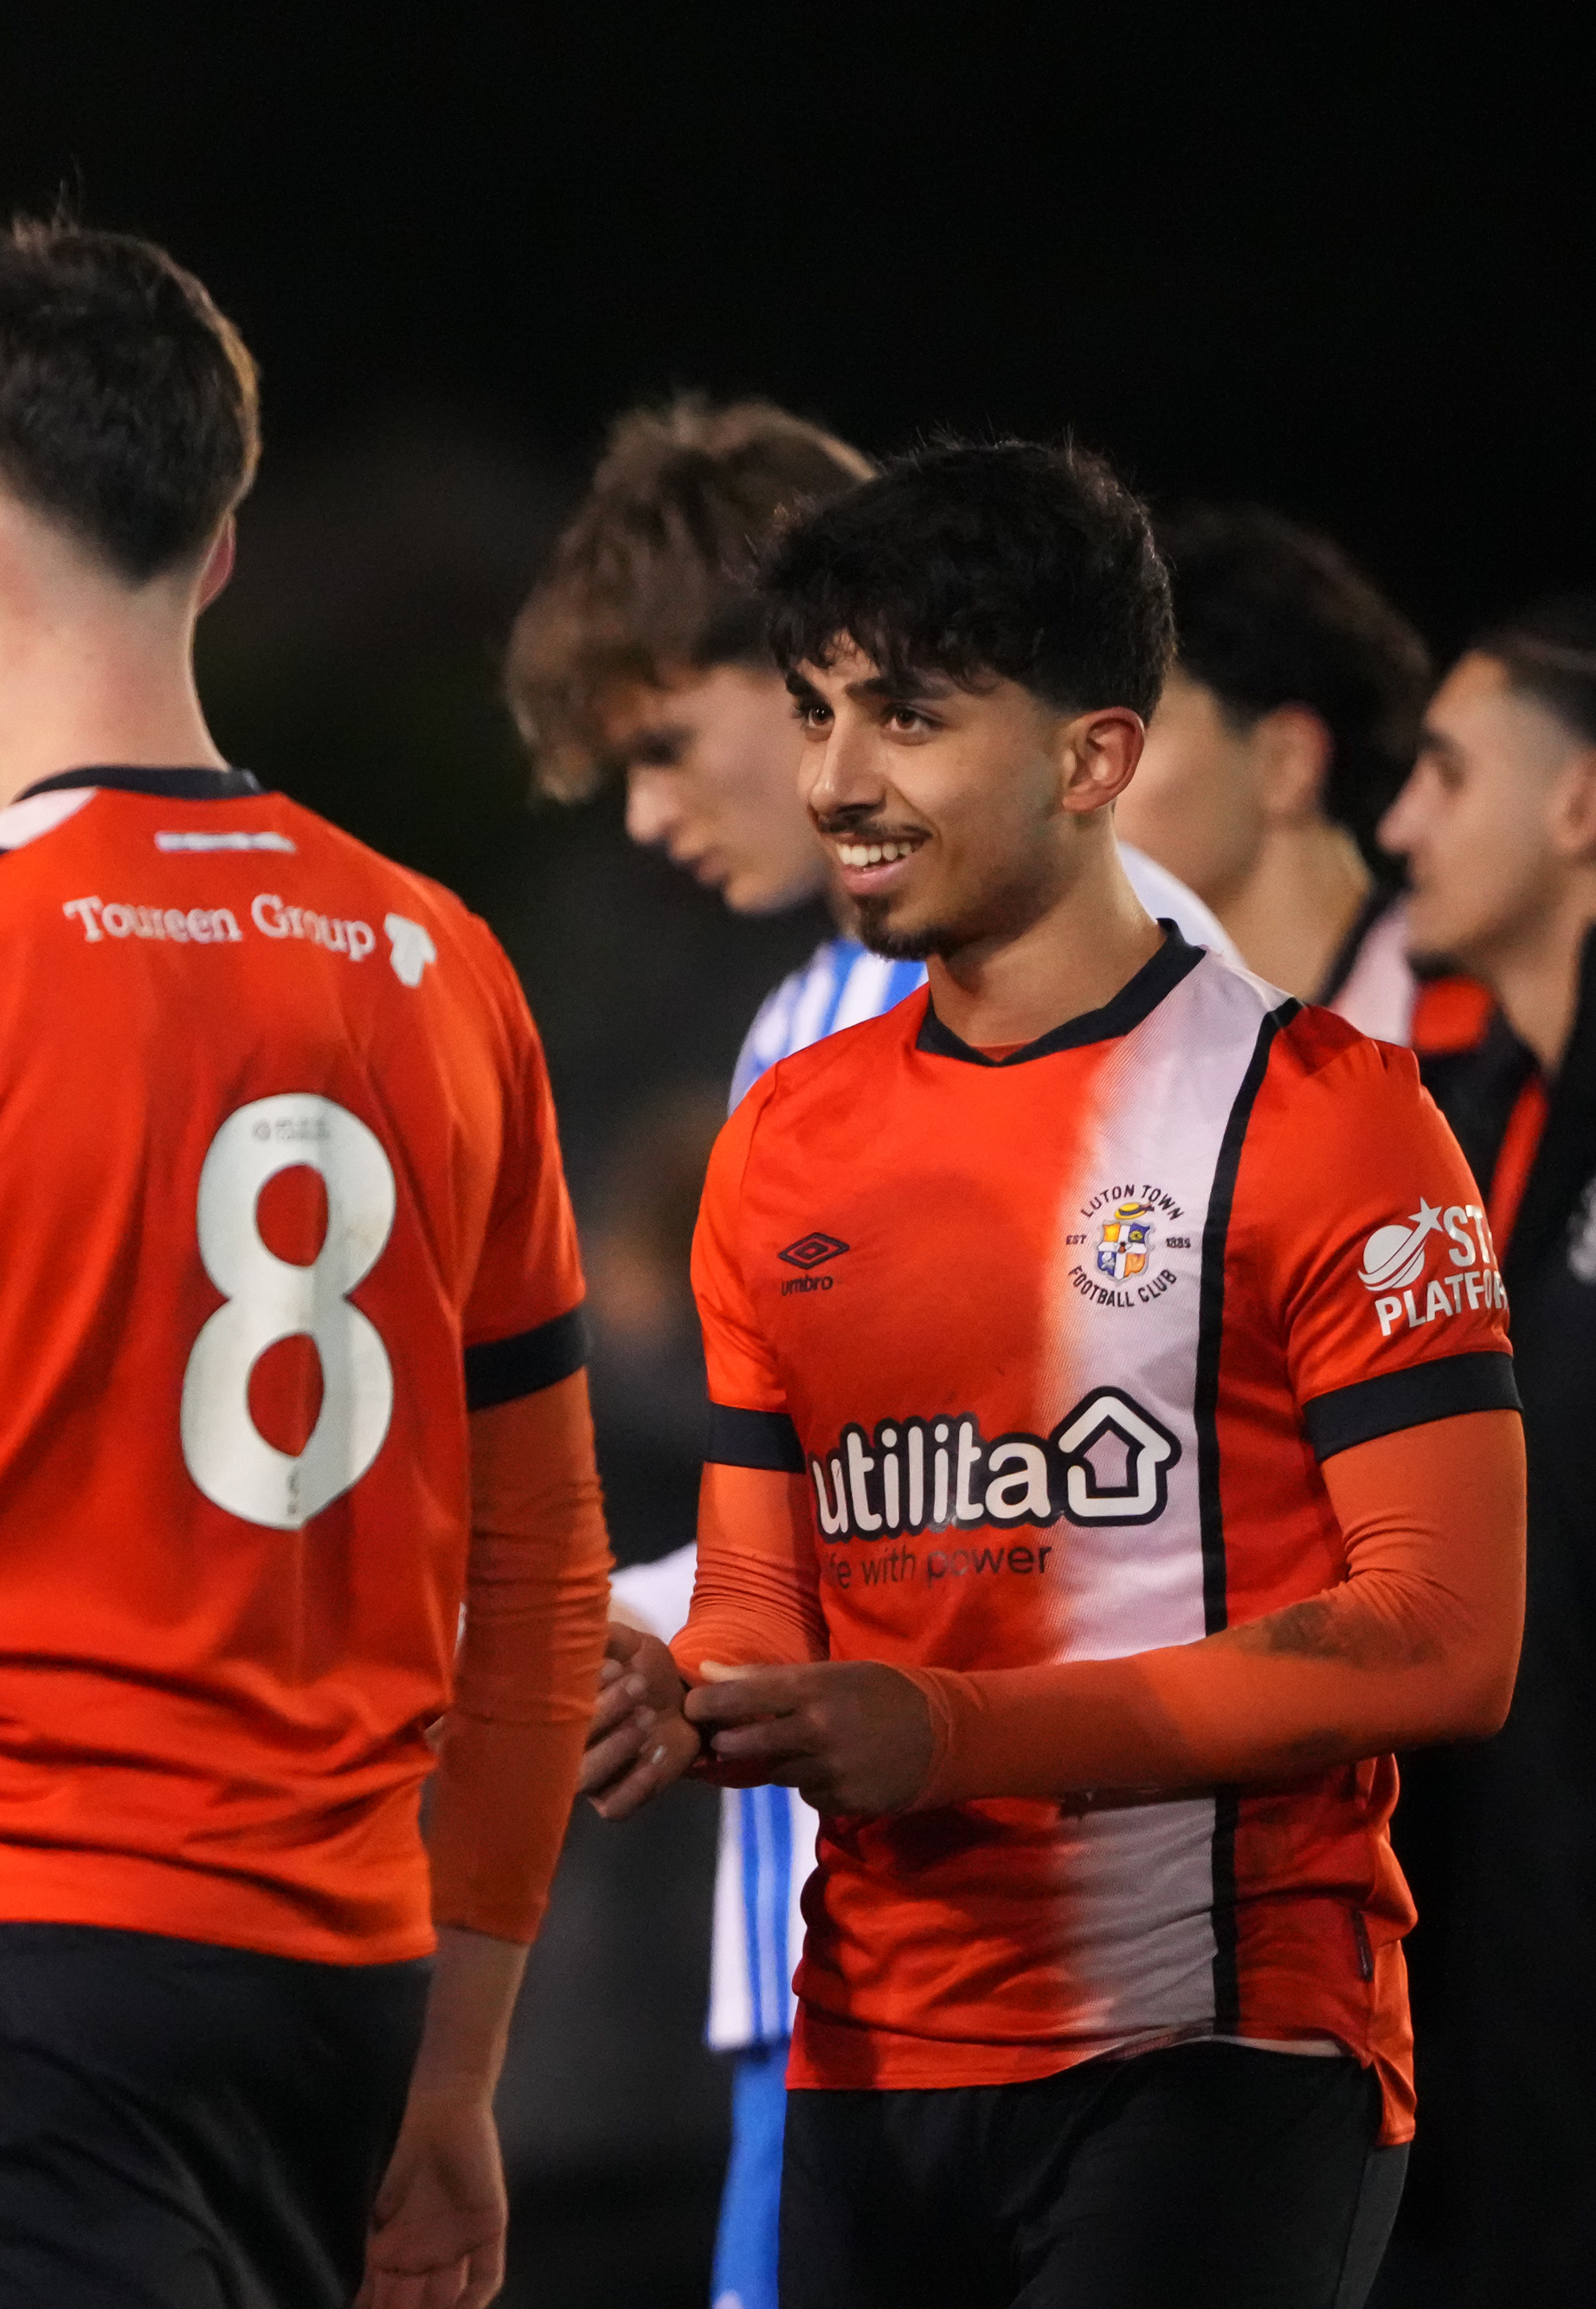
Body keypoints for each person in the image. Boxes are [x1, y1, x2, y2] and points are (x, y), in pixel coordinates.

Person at [0, 218, 613, 2309]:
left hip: (14, 1933)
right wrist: (455, 2072)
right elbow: (534, 1577)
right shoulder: (440, 962)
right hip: (339, 1969)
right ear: (223, 546)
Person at [582, 441, 1526, 2309]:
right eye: (812, 710)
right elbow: (768, 1604)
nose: (835, 780)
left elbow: (1442, 1635)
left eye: (907, 718)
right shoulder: (780, 1144)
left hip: (1216, 2053)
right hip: (864, 2051)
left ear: (1091, 758)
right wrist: (664, 1693)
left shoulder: (1320, 1117)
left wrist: (950, 1733)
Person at [506, 397, 1243, 2309]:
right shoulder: (798, 1027)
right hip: (834, 1959)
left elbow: (1058, 1508)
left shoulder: (1126, 982)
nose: (657, 815)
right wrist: (584, 1623)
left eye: (665, 745)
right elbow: (839, 1506)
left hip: (1072, 1966)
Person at [1362, 596, 1596, 2306]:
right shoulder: (1470, 1106)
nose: (1399, 822)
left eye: (1444, 773)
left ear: (1578, 806)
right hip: (1486, 2017)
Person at [1125, 506, 1435, 1035]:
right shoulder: (1127, 1033)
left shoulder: (1469, 1023)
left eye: (1137, 729)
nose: (1085, 775)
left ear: (1287, 762)